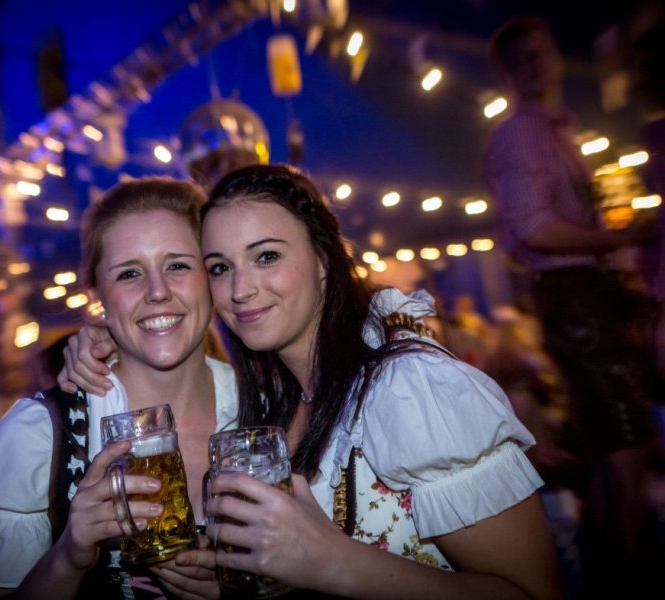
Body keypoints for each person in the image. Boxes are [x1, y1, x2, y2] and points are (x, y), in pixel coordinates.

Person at [63, 164, 562, 598]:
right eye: (220, 267)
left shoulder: (409, 386)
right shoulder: (271, 402)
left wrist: (333, 564)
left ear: (324, 260)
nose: (241, 288)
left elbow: (533, 593)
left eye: (267, 256)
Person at [0, 177, 240, 599]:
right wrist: (69, 556)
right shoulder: (41, 433)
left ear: (211, 276)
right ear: (98, 295)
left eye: (178, 265)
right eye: (129, 273)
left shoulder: (269, 407)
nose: (157, 292)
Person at [482, 15, 662, 596]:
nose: (536, 65)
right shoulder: (523, 134)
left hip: (588, 301)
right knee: (625, 463)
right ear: (506, 74)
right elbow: (535, 230)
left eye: (542, 53)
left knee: (618, 469)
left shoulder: (556, 132)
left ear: (557, 58)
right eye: (521, 59)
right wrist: (621, 239)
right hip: (576, 301)